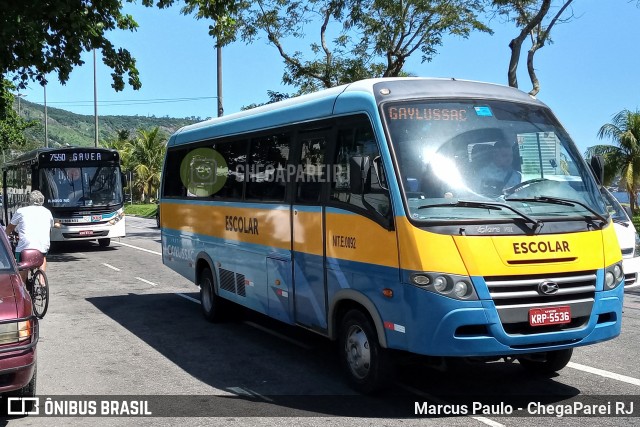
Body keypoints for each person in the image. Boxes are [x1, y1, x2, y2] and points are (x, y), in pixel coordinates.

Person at [5, 191, 54, 280]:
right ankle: (41, 280)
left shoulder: (21, 211)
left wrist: (4, 237)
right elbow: (50, 228)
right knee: (42, 256)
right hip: (42, 245)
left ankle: (23, 285)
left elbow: (10, 228)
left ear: (29, 200)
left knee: (22, 263)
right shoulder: (47, 212)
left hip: (25, 246)